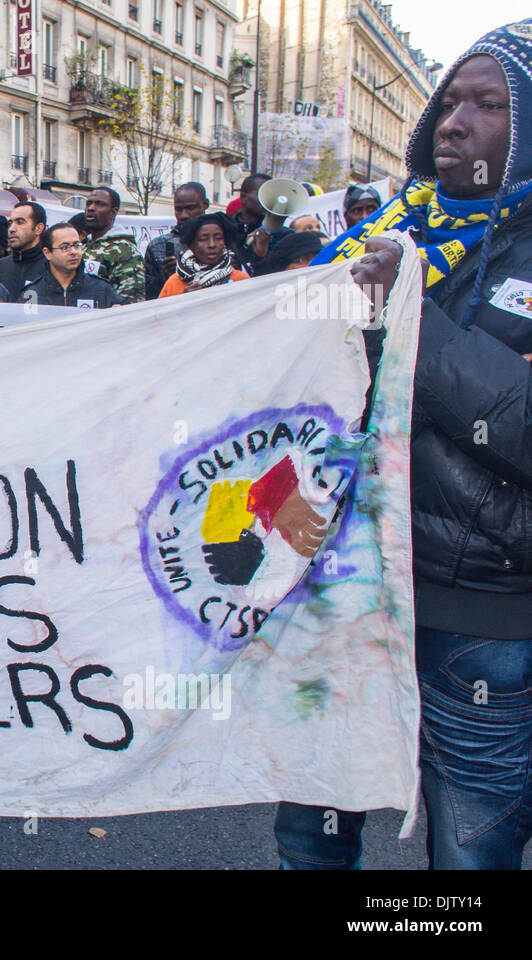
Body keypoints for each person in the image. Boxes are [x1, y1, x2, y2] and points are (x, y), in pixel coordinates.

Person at [277, 19, 532, 870]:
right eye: (449, 102)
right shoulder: (387, 232)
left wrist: (412, 310)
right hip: (337, 587)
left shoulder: (413, 262)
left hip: (478, 614)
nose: (456, 122)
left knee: (471, 852)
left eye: (489, 104)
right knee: (309, 838)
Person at [21, 222, 122, 308]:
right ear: (47, 253)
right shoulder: (32, 293)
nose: (73, 252)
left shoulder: (101, 289)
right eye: (65, 247)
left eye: (77, 245)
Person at [157, 212, 248, 296]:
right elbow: (160, 313)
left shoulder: (240, 279)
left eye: (218, 238)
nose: (212, 244)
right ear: (191, 245)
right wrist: (183, 300)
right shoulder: (174, 283)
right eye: (203, 239)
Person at [143, 182, 209, 299]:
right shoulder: (159, 246)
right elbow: (147, 297)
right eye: (178, 209)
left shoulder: (221, 242)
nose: (183, 215)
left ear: (205, 205)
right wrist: (164, 279)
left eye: (190, 208)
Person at [79, 186, 144, 303]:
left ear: (113, 211)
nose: (91, 208)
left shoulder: (125, 252)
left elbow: (130, 300)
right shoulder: (81, 248)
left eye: (100, 204)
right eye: (89, 203)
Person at [0, 201, 48, 300]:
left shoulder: (53, 268)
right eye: (10, 223)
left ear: (38, 228)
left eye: (20, 222)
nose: (11, 229)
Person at [230, 172, 271, 272]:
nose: (269, 201)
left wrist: (262, 257)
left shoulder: (280, 233)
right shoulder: (224, 230)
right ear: (244, 197)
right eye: (263, 195)